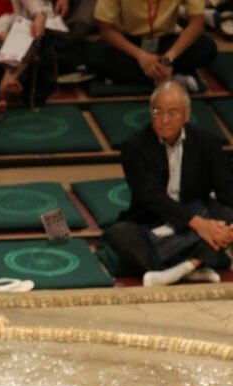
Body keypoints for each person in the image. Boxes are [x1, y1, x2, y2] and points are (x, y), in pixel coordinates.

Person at [104, 80, 233, 286]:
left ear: (186, 114)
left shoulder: (208, 143)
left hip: (197, 215)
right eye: (158, 111)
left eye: (173, 113)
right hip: (152, 221)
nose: (164, 120)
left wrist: (225, 227)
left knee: (226, 217)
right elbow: (151, 197)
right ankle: (195, 265)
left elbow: (226, 190)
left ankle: (181, 269)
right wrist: (199, 225)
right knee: (118, 235)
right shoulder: (134, 146)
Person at [84, 0, 216, 88]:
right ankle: (171, 78)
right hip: (130, 44)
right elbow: (106, 31)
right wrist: (140, 56)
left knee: (207, 48)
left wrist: (169, 59)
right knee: (91, 54)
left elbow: (197, 24)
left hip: (166, 43)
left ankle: (132, 78)